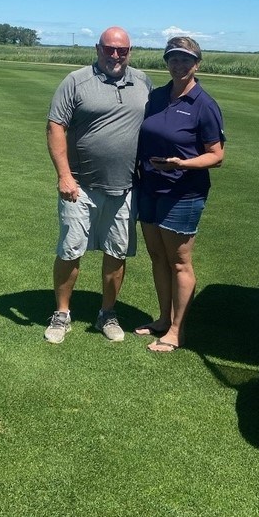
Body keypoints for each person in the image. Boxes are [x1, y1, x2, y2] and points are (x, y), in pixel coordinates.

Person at [44, 26, 153, 344]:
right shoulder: (76, 81)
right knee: (69, 251)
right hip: (79, 186)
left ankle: (107, 312)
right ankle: (62, 314)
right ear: (98, 48)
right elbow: (55, 127)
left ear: (130, 51)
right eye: (109, 49)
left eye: (122, 50)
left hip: (125, 188)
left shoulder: (143, 81)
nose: (115, 55)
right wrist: (64, 175)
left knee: (116, 254)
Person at [133, 36, 225, 352]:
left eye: (186, 59)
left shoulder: (204, 105)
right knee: (157, 256)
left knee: (179, 263)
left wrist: (182, 163)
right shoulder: (157, 97)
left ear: (197, 64)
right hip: (150, 188)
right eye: (173, 59)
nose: (179, 65)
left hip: (183, 193)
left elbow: (216, 155)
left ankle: (176, 330)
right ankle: (162, 318)